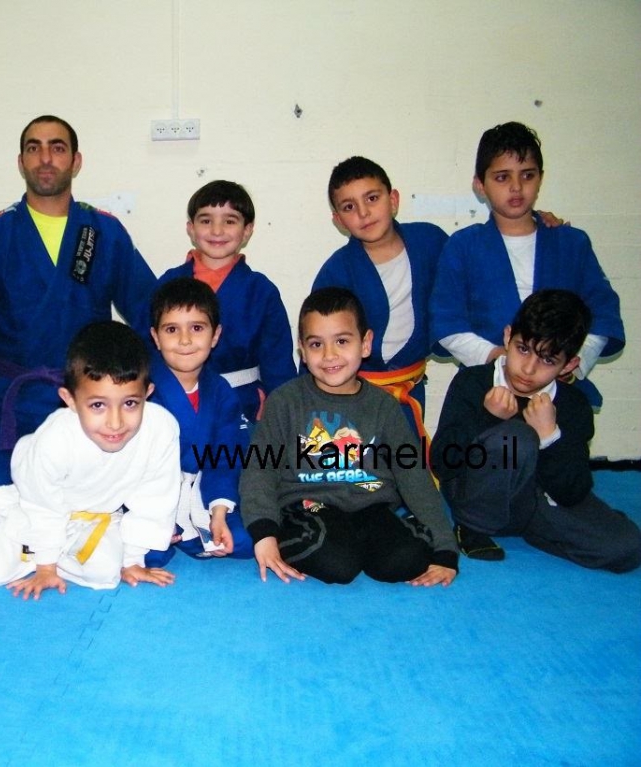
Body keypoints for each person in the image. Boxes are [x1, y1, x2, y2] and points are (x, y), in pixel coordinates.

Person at [0, 115, 156, 509]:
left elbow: (148, 312)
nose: (45, 158)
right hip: (15, 393)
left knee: (112, 487)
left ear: (76, 161)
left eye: (57, 148)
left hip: (90, 396)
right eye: (34, 148)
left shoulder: (104, 231)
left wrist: (138, 387)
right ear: (21, 162)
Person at [240, 287, 458, 587]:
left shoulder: (383, 406)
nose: (329, 355)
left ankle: (367, 539)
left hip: (371, 507)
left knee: (405, 560)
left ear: (365, 343)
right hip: (309, 504)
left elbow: (413, 475)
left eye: (342, 341)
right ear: (302, 350)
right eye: (316, 344)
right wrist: (264, 535)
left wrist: (445, 548)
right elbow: (259, 471)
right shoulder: (285, 402)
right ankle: (325, 540)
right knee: (337, 565)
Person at [0, 321, 181, 598]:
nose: (115, 422)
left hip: (96, 515)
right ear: (70, 399)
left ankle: (49, 549)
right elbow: (42, 504)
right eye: (98, 405)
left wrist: (132, 560)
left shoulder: (160, 429)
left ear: (147, 393)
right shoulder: (55, 438)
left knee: (105, 574)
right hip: (35, 506)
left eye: (130, 403)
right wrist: (46, 566)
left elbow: (155, 498)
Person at [431, 290, 640, 570]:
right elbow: (442, 463)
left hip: (537, 500)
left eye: (548, 360)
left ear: (569, 365)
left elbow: (572, 491)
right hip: (476, 500)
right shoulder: (473, 382)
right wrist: (488, 417)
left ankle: (538, 531)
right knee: (516, 437)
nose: (528, 369)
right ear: (508, 337)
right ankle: (472, 527)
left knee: (626, 547)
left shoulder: (573, 404)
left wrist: (550, 437)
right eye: (523, 349)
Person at [430, 121, 624, 408]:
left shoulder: (571, 243)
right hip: (487, 389)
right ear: (480, 185)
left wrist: (570, 360)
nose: (516, 187)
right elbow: (446, 322)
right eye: (502, 177)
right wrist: (498, 358)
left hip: (559, 389)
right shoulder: (463, 246)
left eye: (527, 175)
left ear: (540, 179)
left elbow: (603, 313)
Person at [312, 157, 449, 441]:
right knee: (353, 465)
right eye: (349, 207)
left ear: (393, 199)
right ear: (338, 219)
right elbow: (317, 340)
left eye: (372, 198)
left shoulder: (430, 241)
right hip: (351, 393)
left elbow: (471, 269)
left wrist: (534, 221)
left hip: (410, 387)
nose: (364, 213)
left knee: (407, 462)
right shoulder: (336, 272)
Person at [157, 180, 294, 422]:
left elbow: (278, 362)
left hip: (243, 403)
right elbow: (148, 347)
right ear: (191, 228)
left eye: (230, 221)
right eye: (206, 220)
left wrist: (278, 408)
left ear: (247, 230)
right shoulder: (169, 282)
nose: (217, 231)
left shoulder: (261, 291)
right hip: (175, 401)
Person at [146, 277, 253, 563]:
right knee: (153, 554)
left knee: (242, 542)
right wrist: (153, 513)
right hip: (149, 494)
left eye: (197, 328)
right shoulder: (141, 389)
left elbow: (225, 454)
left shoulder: (220, 391)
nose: (185, 340)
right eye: (172, 329)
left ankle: (198, 525)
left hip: (202, 489)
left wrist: (218, 512)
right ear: (155, 337)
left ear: (215, 335)